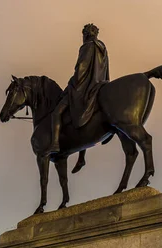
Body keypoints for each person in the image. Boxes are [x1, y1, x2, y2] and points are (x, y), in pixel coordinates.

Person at [47, 24, 110, 165]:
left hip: (83, 87)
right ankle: (81, 157)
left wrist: (71, 84)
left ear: (85, 34)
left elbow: (80, 70)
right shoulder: (102, 47)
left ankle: (55, 144)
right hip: (99, 84)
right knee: (82, 117)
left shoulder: (87, 46)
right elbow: (105, 69)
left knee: (56, 113)